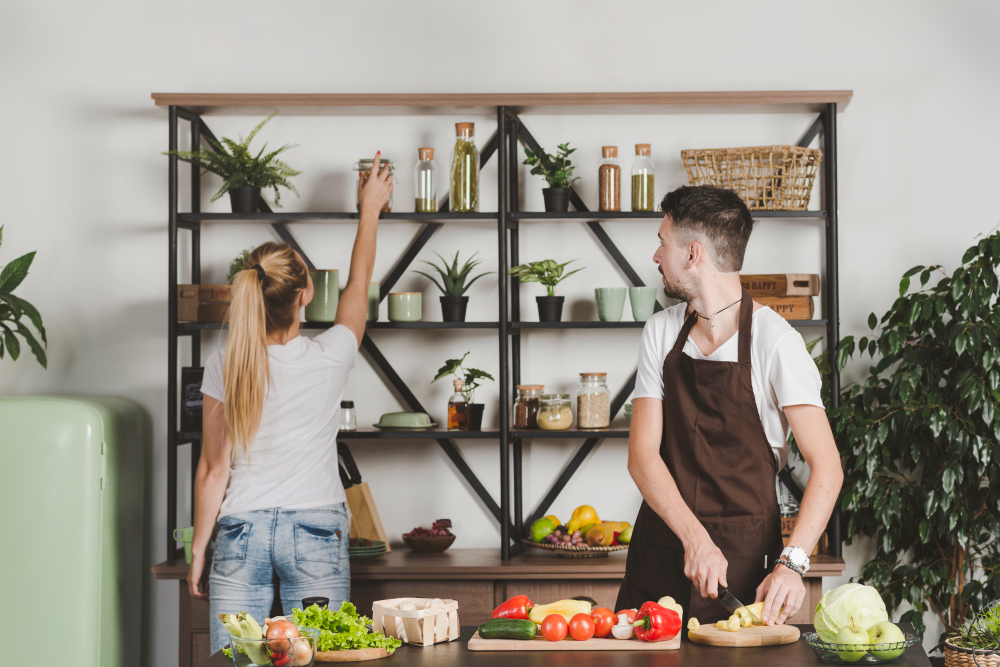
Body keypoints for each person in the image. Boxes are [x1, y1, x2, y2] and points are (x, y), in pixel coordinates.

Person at [187, 153, 393, 653]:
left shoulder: (224, 363)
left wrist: (198, 549)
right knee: (320, 660)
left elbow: (215, 470)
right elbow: (358, 285)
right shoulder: (330, 356)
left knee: (240, 663)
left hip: (239, 532)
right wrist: (370, 212)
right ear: (305, 295)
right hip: (315, 530)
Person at [615, 185, 844, 627]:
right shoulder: (661, 333)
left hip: (743, 566)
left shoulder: (776, 343)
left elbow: (828, 467)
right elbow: (642, 457)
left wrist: (792, 563)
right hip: (661, 552)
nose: (656, 255)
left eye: (663, 242)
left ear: (693, 253)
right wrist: (694, 539)